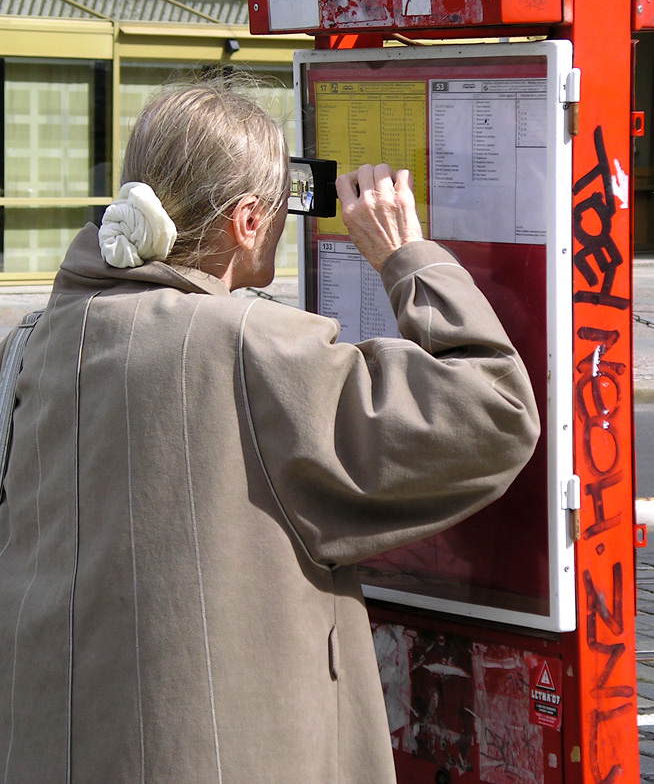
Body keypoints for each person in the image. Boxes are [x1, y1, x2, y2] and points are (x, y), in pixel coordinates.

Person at [0, 78, 539, 784]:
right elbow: (494, 411)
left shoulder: (30, 344)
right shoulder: (252, 348)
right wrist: (406, 259)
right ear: (247, 222)